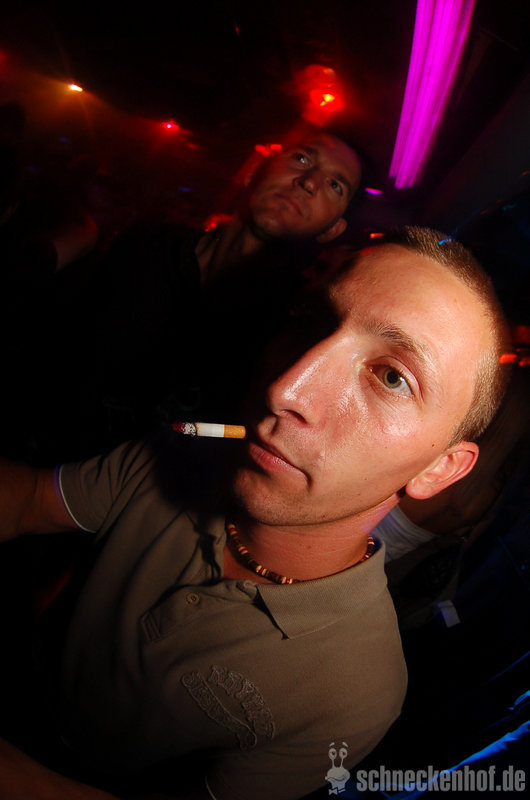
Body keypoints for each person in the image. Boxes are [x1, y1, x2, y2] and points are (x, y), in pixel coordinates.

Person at [0, 227, 511, 800]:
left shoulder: (354, 695)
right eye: (310, 323)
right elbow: (28, 499)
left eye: (393, 376)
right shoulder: (180, 457)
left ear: (440, 469)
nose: (285, 389)